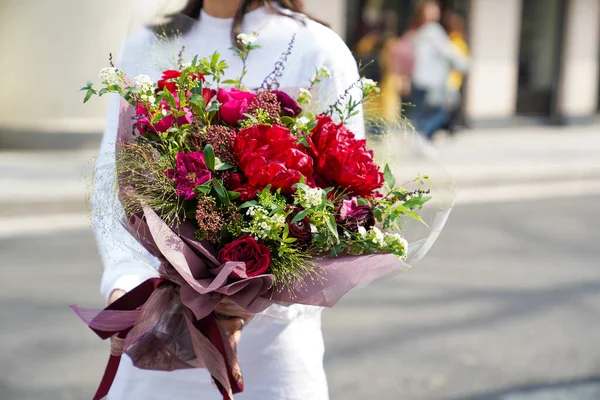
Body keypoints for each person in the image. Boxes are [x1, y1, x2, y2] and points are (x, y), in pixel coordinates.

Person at [93, 0, 364, 399]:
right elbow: (113, 176)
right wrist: (125, 282)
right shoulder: (146, 44)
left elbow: (342, 206)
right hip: (159, 328)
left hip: (272, 350)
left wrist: (240, 305)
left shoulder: (316, 47)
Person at [407, 0, 468, 140]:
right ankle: (421, 138)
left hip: (418, 79)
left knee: (421, 113)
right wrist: (464, 64)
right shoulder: (432, 30)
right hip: (430, 81)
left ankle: (418, 139)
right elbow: (448, 52)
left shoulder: (418, 31)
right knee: (440, 111)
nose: (435, 12)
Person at [441, 9, 470, 134]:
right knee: (449, 106)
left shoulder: (449, 40)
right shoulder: (457, 41)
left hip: (449, 78)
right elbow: (465, 61)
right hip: (451, 79)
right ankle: (449, 127)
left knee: (449, 105)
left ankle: (448, 127)